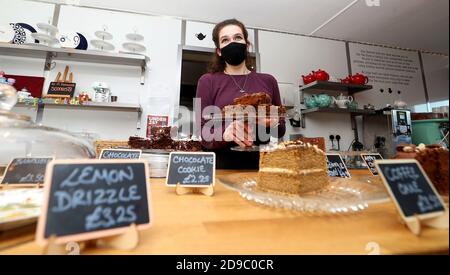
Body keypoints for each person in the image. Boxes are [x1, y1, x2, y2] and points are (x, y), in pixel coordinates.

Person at [195, 18, 285, 169]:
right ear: (219, 51)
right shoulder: (207, 81)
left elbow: (281, 128)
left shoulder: (268, 81)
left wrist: (272, 123)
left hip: (260, 166)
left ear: (246, 44)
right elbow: (202, 131)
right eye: (225, 40)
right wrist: (224, 133)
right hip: (221, 167)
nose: (232, 43)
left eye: (237, 37)